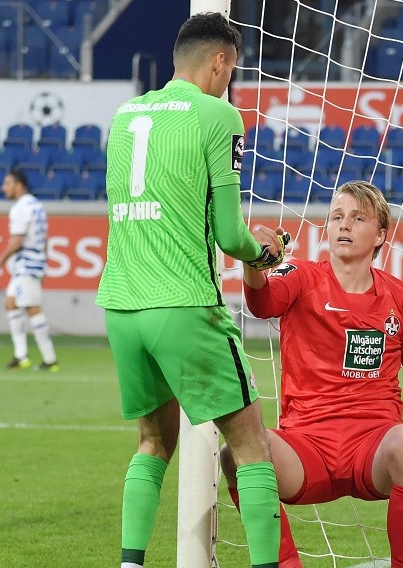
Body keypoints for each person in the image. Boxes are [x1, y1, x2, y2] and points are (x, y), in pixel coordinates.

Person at [96, 12, 286, 568]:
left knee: (153, 442)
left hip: (122, 304)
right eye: (232, 69)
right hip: (183, 304)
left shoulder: (126, 115)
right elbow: (230, 236)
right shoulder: (218, 115)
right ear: (220, 61)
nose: (231, 80)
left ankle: (131, 563)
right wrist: (265, 252)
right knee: (251, 446)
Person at [221, 180, 403, 568]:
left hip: (372, 446)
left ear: (380, 235)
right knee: (234, 455)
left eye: (358, 218)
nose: (344, 225)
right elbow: (262, 303)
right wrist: (254, 263)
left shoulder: (401, 298)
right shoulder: (301, 276)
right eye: (337, 217)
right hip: (306, 446)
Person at [0, 169, 59, 372]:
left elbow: (17, 240)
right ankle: (21, 356)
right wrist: (44, 262)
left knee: (33, 308)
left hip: (27, 264)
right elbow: (44, 238)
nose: (4, 188)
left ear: (19, 185)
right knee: (11, 303)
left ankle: (50, 359)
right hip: (32, 263)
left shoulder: (20, 208)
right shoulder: (37, 205)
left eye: (7, 183)